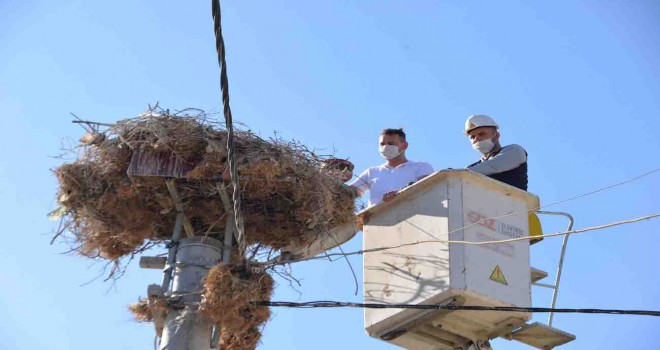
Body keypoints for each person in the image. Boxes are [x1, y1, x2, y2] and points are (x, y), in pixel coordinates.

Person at [350, 128, 434, 206]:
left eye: (390, 143)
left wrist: (399, 194)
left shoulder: (421, 167)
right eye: (382, 144)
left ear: (404, 146)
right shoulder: (371, 172)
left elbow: (427, 188)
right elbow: (350, 192)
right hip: (377, 220)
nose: (385, 147)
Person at [464, 114, 528, 191]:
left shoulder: (514, 151)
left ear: (496, 136)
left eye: (481, 134)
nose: (476, 139)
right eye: (472, 137)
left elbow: (492, 166)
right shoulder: (472, 167)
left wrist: (458, 174)